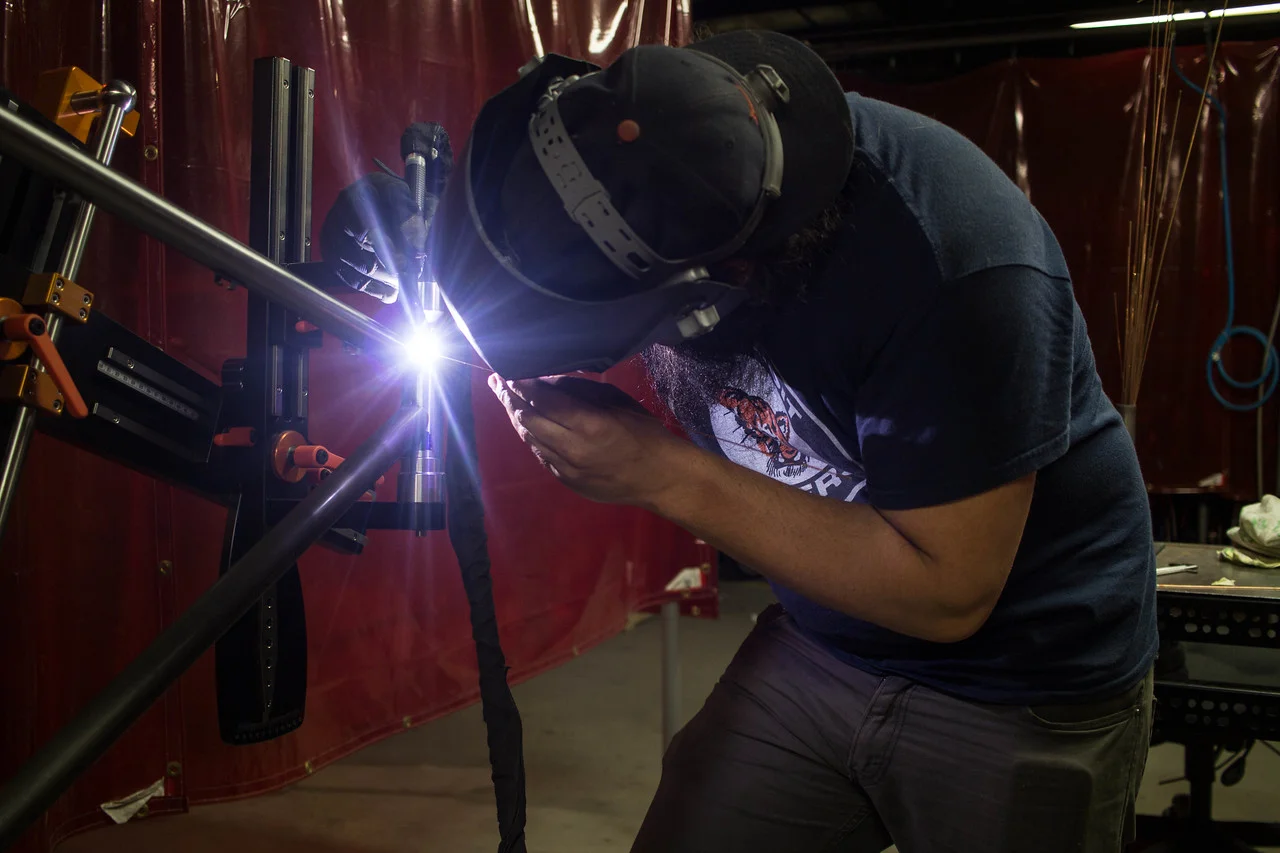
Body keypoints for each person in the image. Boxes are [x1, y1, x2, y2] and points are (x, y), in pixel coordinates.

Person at [324, 29, 1157, 853]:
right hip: (823, 646)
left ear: (723, 280)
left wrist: (661, 472)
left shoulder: (956, 267)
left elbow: (948, 592)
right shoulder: (651, 150)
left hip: (1019, 678)